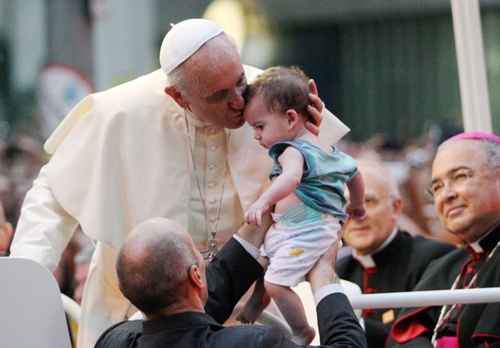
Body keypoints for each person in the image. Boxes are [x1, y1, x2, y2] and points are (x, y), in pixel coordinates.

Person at [9, 18, 349, 347]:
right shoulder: (121, 113)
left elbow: (331, 183)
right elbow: (54, 193)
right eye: (218, 95)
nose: (238, 102)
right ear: (178, 96)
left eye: (240, 83)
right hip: (140, 313)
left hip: (247, 300)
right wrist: (24, 282)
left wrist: (311, 143)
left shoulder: (272, 98)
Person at [236, 66, 366, 344]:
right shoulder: (329, 150)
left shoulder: (291, 150)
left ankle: (301, 330)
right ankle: (258, 302)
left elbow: (291, 178)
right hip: (302, 224)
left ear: (291, 118)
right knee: (263, 261)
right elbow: (355, 174)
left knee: (276, 282)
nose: (256, 136)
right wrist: (357, 205)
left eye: (259, 127)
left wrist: (264, 200)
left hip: (307, 228)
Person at [95, 217, 367, 348]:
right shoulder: (255, 343)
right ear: (195, 275)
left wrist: (259, 219)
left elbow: (187, 321)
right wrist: (324, 275)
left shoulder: (116, 340)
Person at [387, 131, 500, 347]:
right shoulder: (443, 266)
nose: (446, 195)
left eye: (460, 176)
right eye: (437, 187)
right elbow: (402, 338)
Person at [336, 159, 454, 347]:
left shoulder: (435, 259)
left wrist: (352, 326)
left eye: (368, 201)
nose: (356, 215)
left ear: (396, 207)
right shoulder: (338, 272)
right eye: (345, 204)